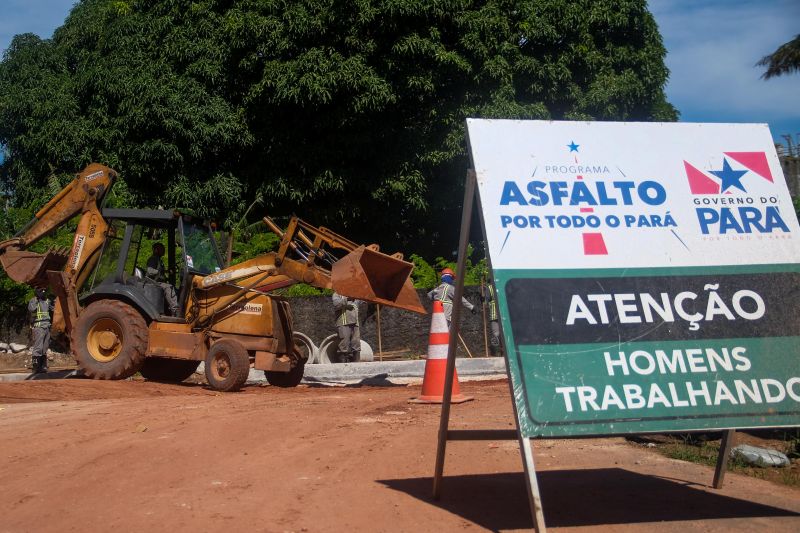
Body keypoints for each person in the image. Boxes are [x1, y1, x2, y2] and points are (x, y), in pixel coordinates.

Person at [145, 242, 179, 316]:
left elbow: (160, 272)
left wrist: (166, 272)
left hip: (158, 281)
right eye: (161, 249)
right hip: (152, 282)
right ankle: (175, 310)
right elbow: (150, 271)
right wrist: (160, 271)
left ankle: (170, 310)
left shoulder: (159, 260)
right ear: (156, 250)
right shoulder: (153, 259)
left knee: (175, 289)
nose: (163, 250)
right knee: (169, 287)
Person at [27, 287, 53, 373]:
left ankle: (43, 366)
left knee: (45, 347)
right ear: (37, 292)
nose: (43, 292)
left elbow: (53, 309)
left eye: (44, 291)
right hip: (39, 326)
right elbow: (31, 309)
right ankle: (36, 367)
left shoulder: (47, 300)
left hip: (47, 326)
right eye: (41, 291)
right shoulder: (33, 300)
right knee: (38, 347)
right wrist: (37, 299)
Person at [332, 291, 361, 363]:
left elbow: (361, 301)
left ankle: (356, 364)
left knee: (356, 343)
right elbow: (336, 304)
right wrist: (347, 299)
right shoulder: (337, 294)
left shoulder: (355, 294)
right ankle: (343, 365)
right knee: (344, 344)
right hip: (343, 322)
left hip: (355, 323)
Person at [483, 282, 502, 356]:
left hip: (494, 315)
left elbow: (486, 302)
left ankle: (497, 353)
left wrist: (483, 300)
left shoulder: (490, 288)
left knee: (496, 334)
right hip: (503, 314)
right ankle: (501, 352)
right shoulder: (501, 285)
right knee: (502, 334)